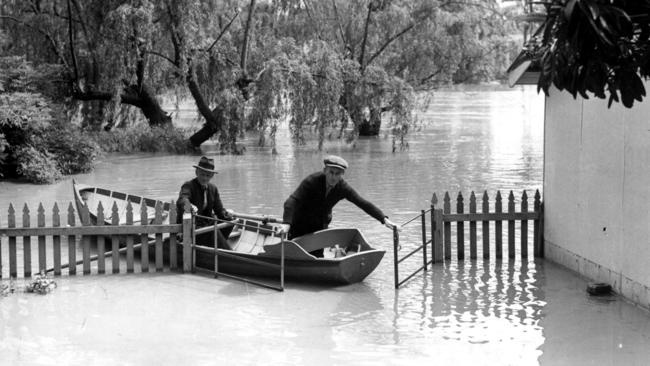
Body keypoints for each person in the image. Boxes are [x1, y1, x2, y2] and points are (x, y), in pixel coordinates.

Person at [281, 155, 399, 256]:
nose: (333, 177)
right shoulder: (312, 181)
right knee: (294, 255)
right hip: (300, 223)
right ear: (325, 171)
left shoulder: (342, 187)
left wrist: (384, 219)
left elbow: (362, 203)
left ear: (342, 174)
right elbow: (291, 201)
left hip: (320, 225)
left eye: (337, 174)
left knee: (317, 256)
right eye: (331, 172)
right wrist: (286, 224)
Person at [177, 156, 234, 249]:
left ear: (212, 176)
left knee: (229, 222)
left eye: (208, 175)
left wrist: (227, 215)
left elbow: (220, 211)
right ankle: (228, 252)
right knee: (212, 231)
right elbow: (182, 200)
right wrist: (189, 206)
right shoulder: (188, 185)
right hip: (192, 226)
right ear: (196, 173)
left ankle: (218, 246)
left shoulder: (213, 189)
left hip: (206, 224)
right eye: (202, 174)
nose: (204, 178)